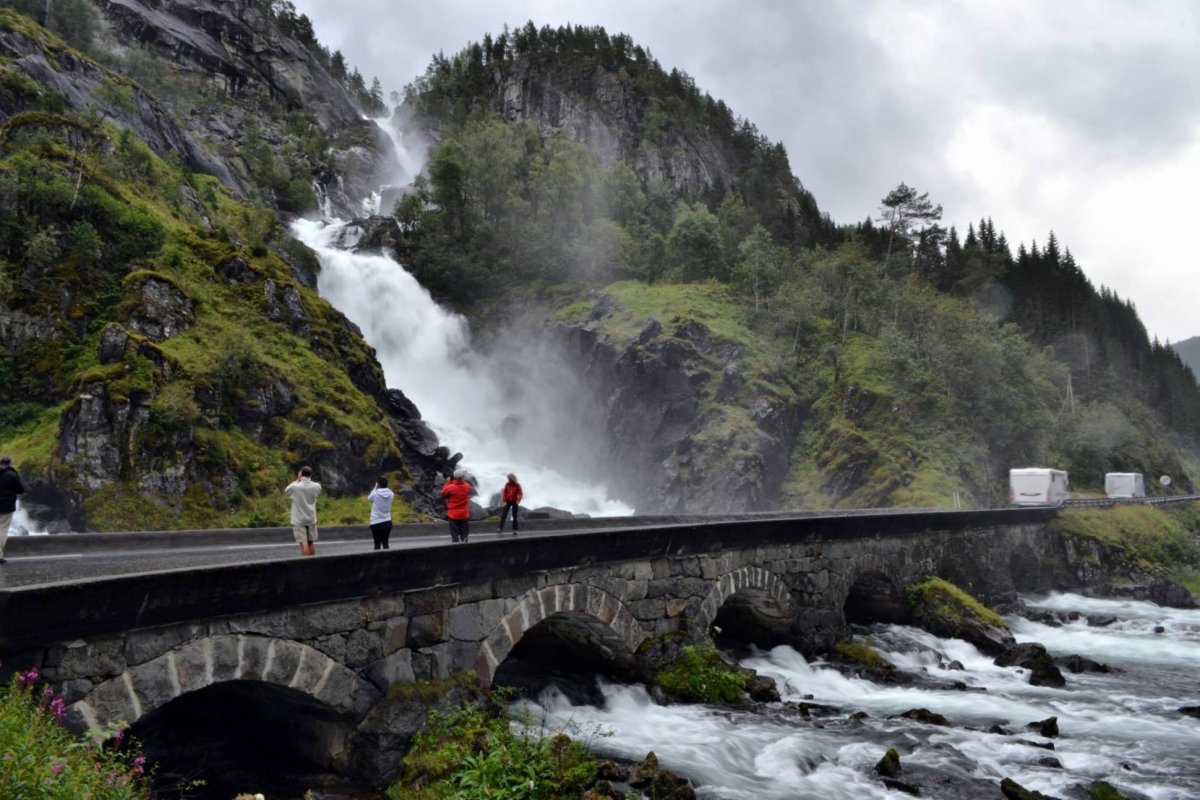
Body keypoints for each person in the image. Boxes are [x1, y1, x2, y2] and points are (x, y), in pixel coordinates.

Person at [284, 466, 322, 556]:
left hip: (299, 520)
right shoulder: (316, 486)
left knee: (303, 543)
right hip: (311, 518)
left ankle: (306, 564)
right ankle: (313, 563)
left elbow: (286, 491)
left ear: (301, 474)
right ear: (311, 474)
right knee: (310, 543)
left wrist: (297, 479)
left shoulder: (295, 487)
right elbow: (318, 492)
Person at [0, 455, 25, 565]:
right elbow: (20, 490)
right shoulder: (12, 474)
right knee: (2, 529)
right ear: (10, 463)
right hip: (6, 506)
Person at [440, 468, 473, 543]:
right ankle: (465, 547)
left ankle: (456, 548)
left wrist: (448, 482)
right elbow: (469, 488)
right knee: (464, 534)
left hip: (453, 515)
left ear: (454, 477)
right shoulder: (467, 486)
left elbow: (443, 493)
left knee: (454, 534)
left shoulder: (450, 487)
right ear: (463, 477)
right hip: (464, 514)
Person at [367, 475, 394, 550]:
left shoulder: (375, 494)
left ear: (378, 484)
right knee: (386, 544)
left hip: (376, 522)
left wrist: (375, 487)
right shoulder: (391, 494)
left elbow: (369, 498)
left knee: (377, 544)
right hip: (387, 521)